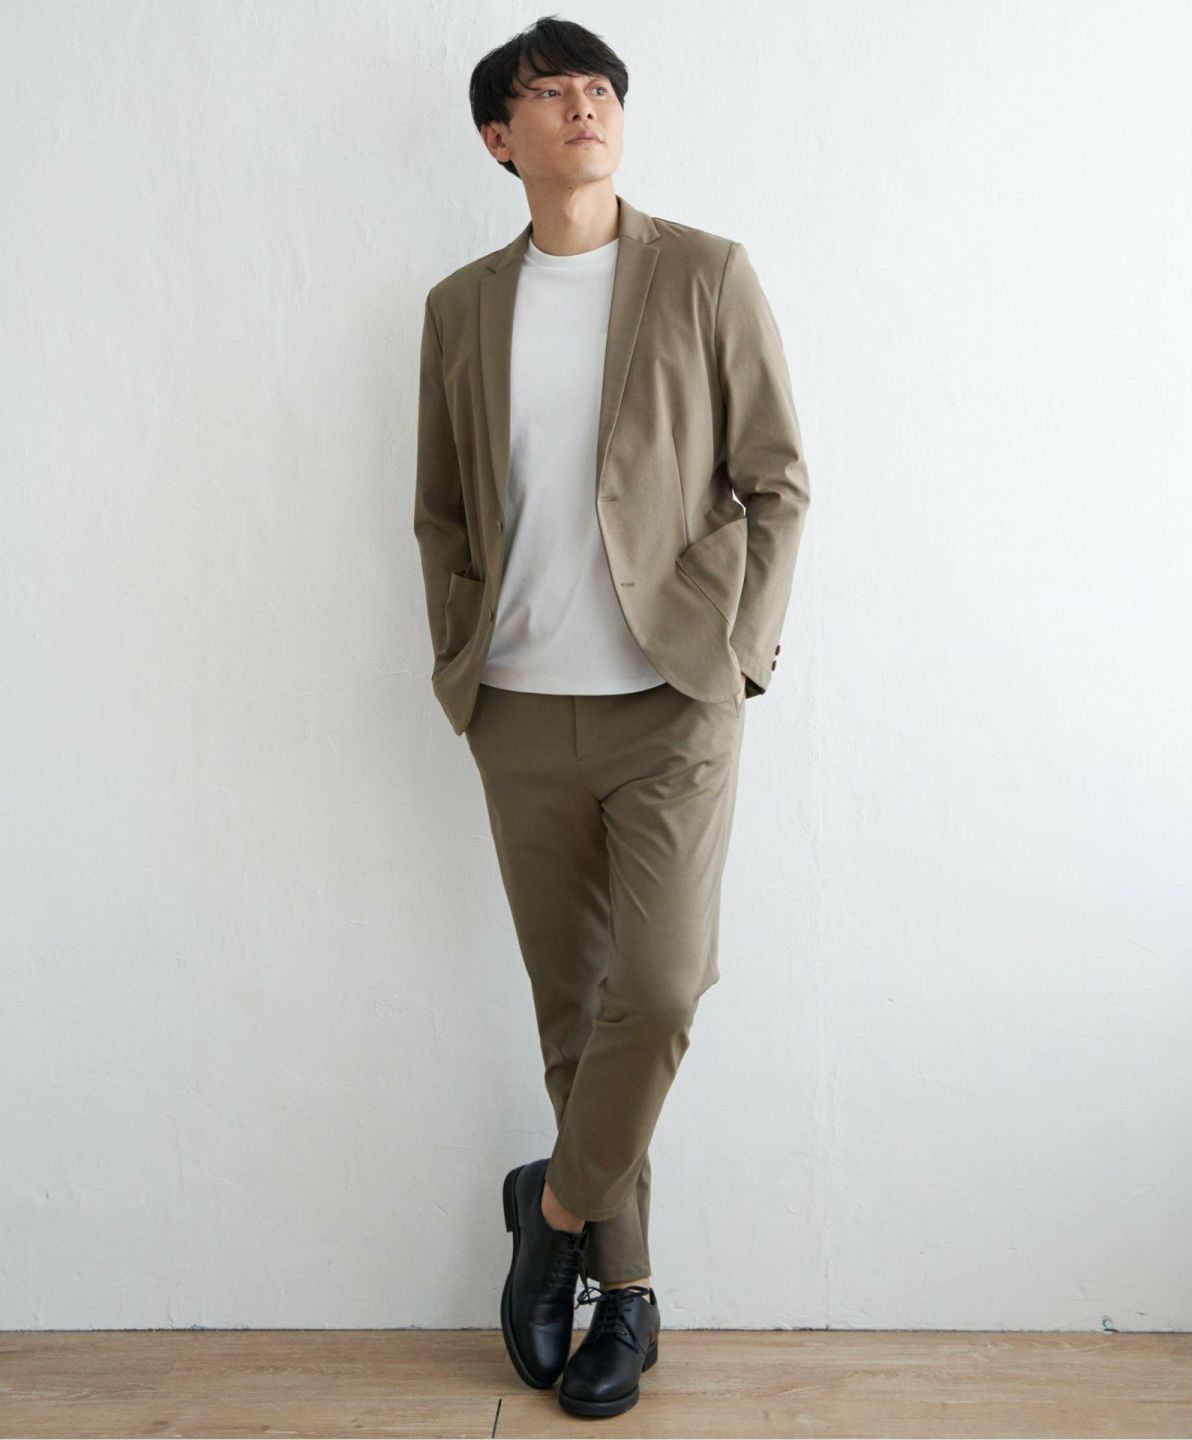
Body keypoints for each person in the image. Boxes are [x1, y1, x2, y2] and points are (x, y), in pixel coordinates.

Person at [413, 14, 811, 1420]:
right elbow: (442, 511)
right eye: (549, 92)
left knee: (661, 988)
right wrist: (459, 654)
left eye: (600, 88)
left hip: (672, 705)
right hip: (519, 710)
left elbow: (778, 479)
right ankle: (626, 1300)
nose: (582, 106)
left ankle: (554, 1213)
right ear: (499, 137)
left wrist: (739, 655)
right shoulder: (460, 307)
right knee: (575, 1020)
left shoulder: (704, 273)